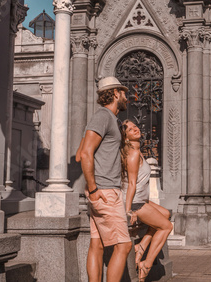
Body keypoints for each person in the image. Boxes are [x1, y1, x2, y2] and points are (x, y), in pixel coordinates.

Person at [79, 76, 132, 282]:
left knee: (98, 243)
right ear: (116, 93)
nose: (127, 97)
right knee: (123, 245)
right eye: (124, 93)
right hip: (105, 190)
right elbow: (84, 154)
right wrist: (93, 189)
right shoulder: (103, 116)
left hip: (102, 188)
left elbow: (81, 151)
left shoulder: (109, 119)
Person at [119, 120, 173, 282]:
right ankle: (146, 264)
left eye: (135, 126)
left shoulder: (137, 151)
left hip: (141, 199)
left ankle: (140, 247)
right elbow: (132, 183)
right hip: (134, 201)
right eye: (130, 129)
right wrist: (128, 210)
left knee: (165, 213)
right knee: (166, 227)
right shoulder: (133, 154)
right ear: (125, 136)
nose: (135, 129)